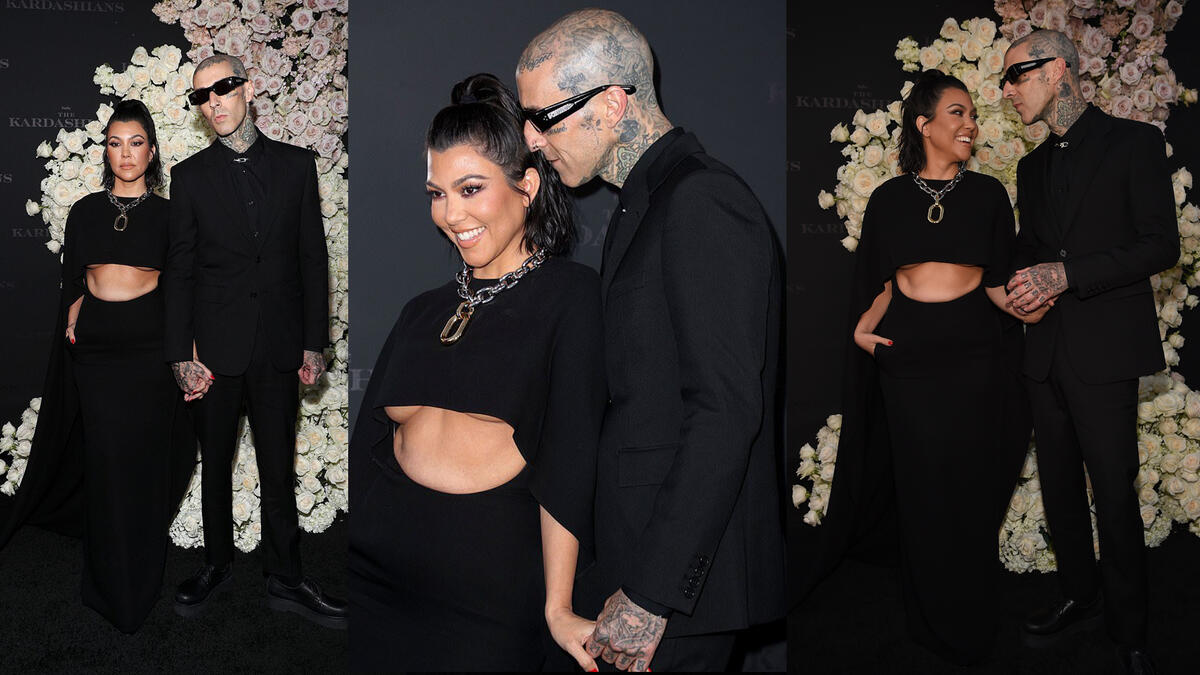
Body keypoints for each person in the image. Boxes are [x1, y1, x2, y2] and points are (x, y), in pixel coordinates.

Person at [516, 9, 785, 672]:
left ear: (612, 104)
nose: (531, 138)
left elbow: (725, 409)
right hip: (641, 563)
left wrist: (650, 594)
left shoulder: (701, 201)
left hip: (674, 596)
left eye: (544, 116)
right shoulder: (648, 201)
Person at [347, 73, 606, 672]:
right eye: (437, 194)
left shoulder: (572, 299)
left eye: (469, 189)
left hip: (482, 598)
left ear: (528, 186)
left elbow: (569, 459)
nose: (450, 214)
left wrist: (559, 606)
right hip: (373, 579)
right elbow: (371, 446)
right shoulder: (422, 310)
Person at [821, 69, 1039, 664]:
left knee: (969, 491)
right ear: (924, 125)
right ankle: (927, 621)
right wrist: (864, 336)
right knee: (920, 492)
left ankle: (971, 622)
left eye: (972, 116)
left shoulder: (989, 195)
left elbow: (997, 286)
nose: (970, 126)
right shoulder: (889, 199)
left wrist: (1036, 304)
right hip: (909, 359)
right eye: (957, 114)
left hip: (975, 355)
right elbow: (881, 285)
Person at [1001, 30, 1178, 675]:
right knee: (1059, 491)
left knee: (1113, 491)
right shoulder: (1030, 167)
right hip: (1044, 352)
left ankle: (1130, 631)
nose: (1009, 91)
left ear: (1059, 70)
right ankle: (1078, 594)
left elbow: (1162, 246)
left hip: (1104, 353)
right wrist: (1021, 284)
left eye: (1017, 75)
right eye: (1004, 82)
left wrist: (1068, 275)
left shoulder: (1135, 143)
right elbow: (1031, 249)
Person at [0, 99, 195, 633]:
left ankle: (138, 581)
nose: (125, 153)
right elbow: (72, 280)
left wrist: (189, 351)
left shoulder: (172, 214)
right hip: (98, 353)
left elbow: (182, 288)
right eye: (115, 142)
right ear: (105, 150)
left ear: (151, 151)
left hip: (149, 351)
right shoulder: (84, 210)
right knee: (106, 464)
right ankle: (105, 582)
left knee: (141, 464)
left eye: (135, 143)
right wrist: (75, 310)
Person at [164, 53, 344, 627]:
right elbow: (181, 271)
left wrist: (315, 342)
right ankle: (216, 564)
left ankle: (286, 577)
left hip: (278, 347)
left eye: (222, 88)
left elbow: (312, 259)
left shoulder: (296, 166)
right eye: (201, 96)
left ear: (248, 88)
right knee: (213, 464)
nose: (213, 101)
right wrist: (179, 355)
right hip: (215, 352)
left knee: (277, 464)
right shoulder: (189, 177)